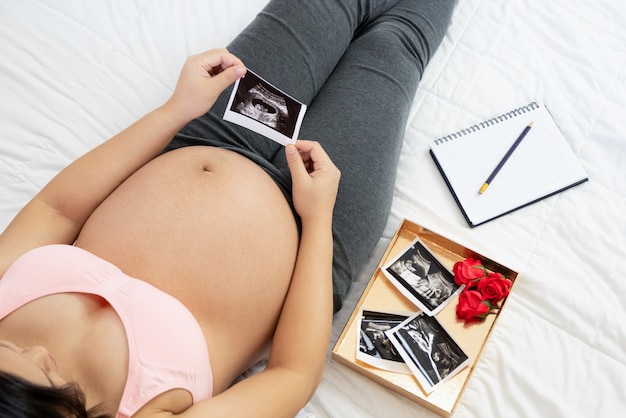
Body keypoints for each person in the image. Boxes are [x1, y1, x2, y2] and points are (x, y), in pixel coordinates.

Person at [0, 0, 455, 416]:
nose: (36, 351)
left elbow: (55, 209)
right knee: (396, 45)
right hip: (316, 221)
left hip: (211, 130)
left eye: (13, 352)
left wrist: (174, 111)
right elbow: (291, 376)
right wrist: (317, 222)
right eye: (48, 378)